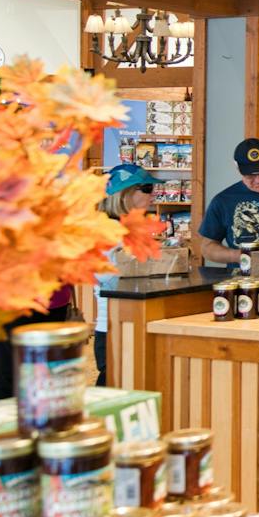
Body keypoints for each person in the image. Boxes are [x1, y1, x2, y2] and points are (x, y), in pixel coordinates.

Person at [92, 163, 160, 382]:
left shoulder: (128, 231)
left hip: (132, 321)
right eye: (147, 188)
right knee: (112, 386)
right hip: (114, 326)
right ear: (125, 194)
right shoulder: (109, 233)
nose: (153, 194)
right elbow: (109, 281)